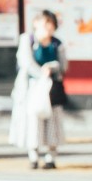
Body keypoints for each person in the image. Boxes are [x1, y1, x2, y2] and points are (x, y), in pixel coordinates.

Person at [10, 9, 68, 169]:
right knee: (32, 121)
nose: (48, 28)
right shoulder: (27, 40)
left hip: (51, 89)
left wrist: (52, 68)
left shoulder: (57, 44)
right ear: (36, 23)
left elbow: (63, 65)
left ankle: (51, 157)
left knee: (53, 122)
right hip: (31, 88)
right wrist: (41, 73)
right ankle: (33, 156)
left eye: (51, 25)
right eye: (45, 23)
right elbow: (26, 62)